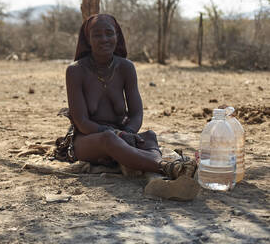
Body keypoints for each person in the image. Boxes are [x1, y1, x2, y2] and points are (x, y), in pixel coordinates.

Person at [55, 14, 196, 179]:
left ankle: (150, 167)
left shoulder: (126, 68)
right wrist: (119, 135)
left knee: (149, 136)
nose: (104, 39)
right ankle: (165, 167)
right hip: (88, 140)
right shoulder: (75, 71)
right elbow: (82, 122)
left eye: (109, 33)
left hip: (122, 136)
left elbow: (136, 113)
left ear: (117, 36)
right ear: (88, 39)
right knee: (109, 138)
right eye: (97, 35)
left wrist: (128, 132)